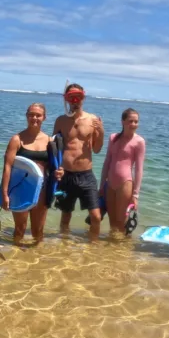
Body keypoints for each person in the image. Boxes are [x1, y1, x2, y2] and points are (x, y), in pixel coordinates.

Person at [51, 83, 104, 240]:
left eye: (78, 97)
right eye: (71, 98)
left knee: (95, 216)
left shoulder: (92, 120)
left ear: (83, 98)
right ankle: (64, 245)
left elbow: (97, 149)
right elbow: (54, 147)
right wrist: (54, 170)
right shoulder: (60, 121)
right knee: (66, 215)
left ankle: (93, 247)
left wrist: (100, 132)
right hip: (66, 174)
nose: (75, 101)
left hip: (86, 175)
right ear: (66, 100)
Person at [0, 102, 50, 243]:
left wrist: (59, 172)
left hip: (42, 190)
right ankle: (16, 260)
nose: (34, 118)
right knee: (20, 228)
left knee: (38, 230)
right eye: (31, 115)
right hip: (20, 189)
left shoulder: (49, 141)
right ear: (26, 116)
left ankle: (36, 260)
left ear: (44, 117)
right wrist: (5, 194)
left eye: (38, 115)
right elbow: (7, 167)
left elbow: (51, 167)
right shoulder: (17, 140)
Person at [100, 108, 146, 233]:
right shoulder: (113, 138)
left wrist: (135, 194)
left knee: (122, 221)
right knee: (111, 220)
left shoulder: (139, 142)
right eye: (130, 121)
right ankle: (113, 249)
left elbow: (139, 169)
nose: (133, 124)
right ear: (123, 122)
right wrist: (102, 185)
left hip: (125, 183)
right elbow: (107, 162)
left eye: (136, 122)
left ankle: (122, 249)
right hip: (109, 184)